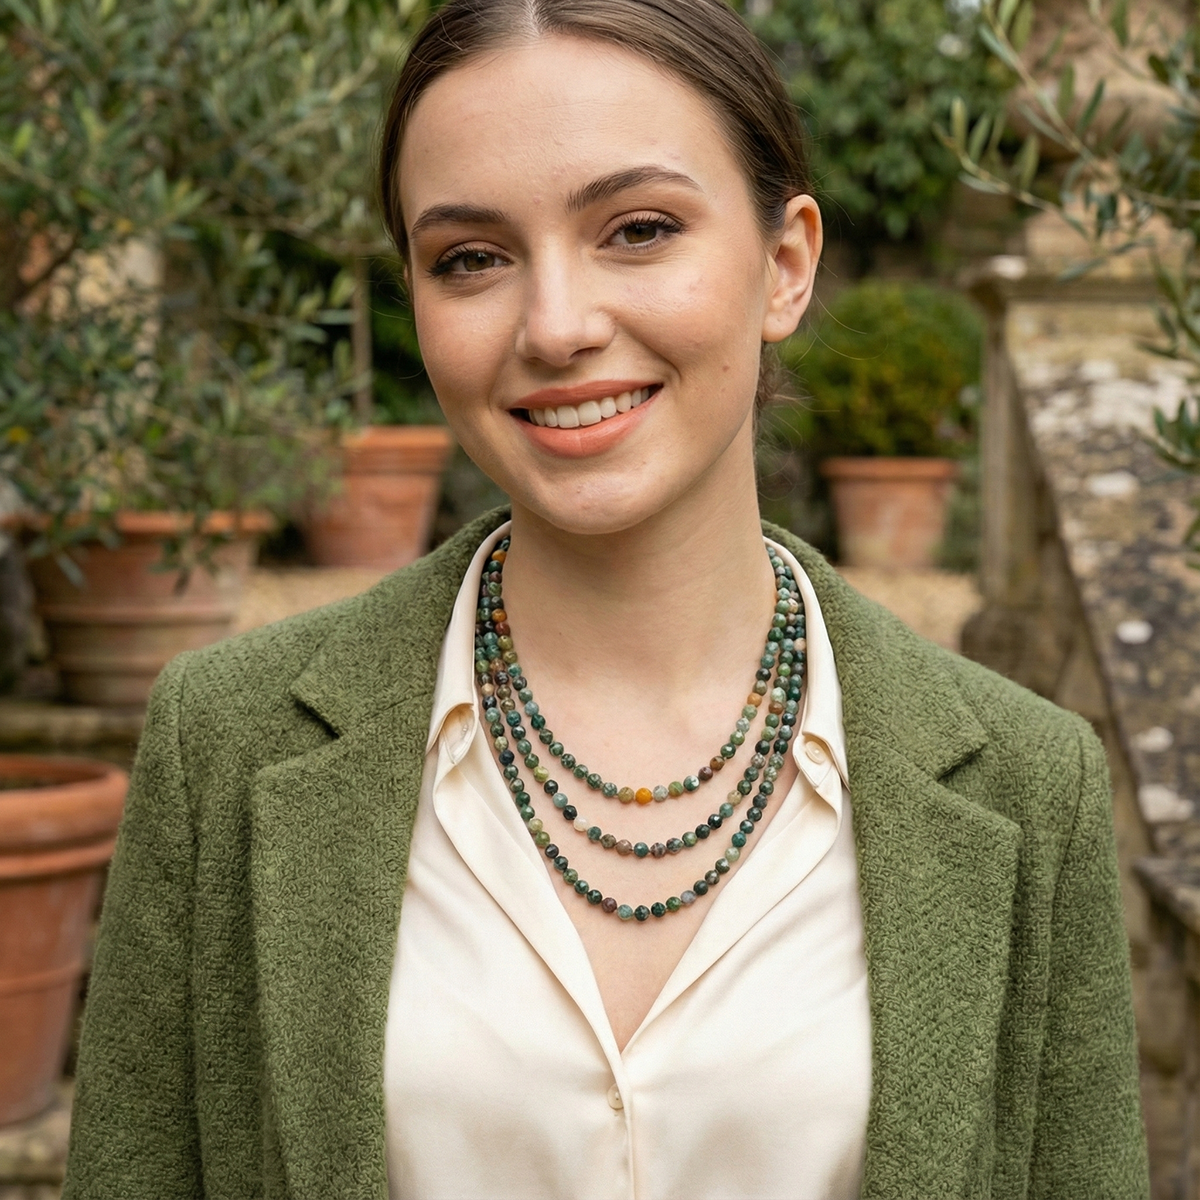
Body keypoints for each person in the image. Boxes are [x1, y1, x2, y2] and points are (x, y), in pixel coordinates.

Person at [63, 1, 1148, 1197]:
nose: (557, 326)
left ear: (785, 266)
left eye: (638, 230)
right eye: (471, 258)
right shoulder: (222, 745)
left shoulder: (1030, 785)